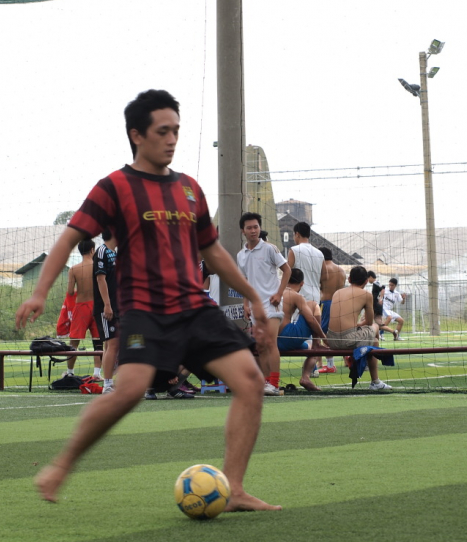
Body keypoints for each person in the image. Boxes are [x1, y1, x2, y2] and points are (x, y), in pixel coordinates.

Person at [15, 89, 282, 509]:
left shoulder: (190, 190)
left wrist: (254, 298)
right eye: (163, 131)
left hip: (195, 308)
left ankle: (235, 489)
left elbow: (211, 251)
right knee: (129, 391)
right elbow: (70, 237)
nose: (172, 139)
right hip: (145, 312)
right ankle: (62, 464)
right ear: (137, 135)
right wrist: (38, 292)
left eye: (176, 130)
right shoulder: (114, 186)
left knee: (250, 382)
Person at [238, 211, 291, 396]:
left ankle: (274, 384)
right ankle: (267, 382)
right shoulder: (241, 255)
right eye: (249, 228)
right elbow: (245, 281)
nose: (253, 231)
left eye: (256, 227)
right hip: (254, 306)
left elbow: (287, 270)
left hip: (272, 304)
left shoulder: (270, 248)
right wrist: (245, 304)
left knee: (270, 342)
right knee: (260, 345)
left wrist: (279, 293)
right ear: (243, 231)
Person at [325, 266, 392, 390]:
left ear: (349, 279)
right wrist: (360, 324)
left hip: (331, 340)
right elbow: (369, 321)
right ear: (366, 281)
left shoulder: (337, 292)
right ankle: (374, 379)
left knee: (374, 340)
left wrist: (357, 325)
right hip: (349, 339)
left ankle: (371, 372)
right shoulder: (366, 294)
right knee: (376, 327)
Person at [277, 268, 327, 391]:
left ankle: (314, 347)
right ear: (302, 283)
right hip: (287, 337)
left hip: (272, 340)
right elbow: (310, 320)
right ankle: (305, 376)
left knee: (309, 348)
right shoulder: (295, 295)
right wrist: (323, 337)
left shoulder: (274, 291)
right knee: (313, 304)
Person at [66, 239, 103, 378]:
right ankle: (97, 374)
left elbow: (70, 292)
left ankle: (70, 373)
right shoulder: (99, 266)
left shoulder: (73, 269)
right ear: (93, 250)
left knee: (74, 342)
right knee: (98, 342)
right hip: (97, 307)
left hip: (81, 307)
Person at [93, 230, 119, 393]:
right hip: (107, 307)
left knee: (117, 344)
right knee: (112, 343)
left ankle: (113, 381)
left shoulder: (115, 253)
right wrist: (107, 305)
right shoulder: (102, 251)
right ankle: (108, 385)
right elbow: (100, 279)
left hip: (118, 306)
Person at [316, 246, 345, 374]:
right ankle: (348, 357)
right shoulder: (341, 270)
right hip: (341, 303)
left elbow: (319, 286)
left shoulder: (323, 269)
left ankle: (330, 365)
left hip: (326, 303)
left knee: (322, 333)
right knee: (340, 333)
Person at [287, 221, 326, 304]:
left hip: (299, 297)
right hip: (316, 297)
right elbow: (325, 277)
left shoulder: (294, 250)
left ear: (297, 234)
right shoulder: (319, 253)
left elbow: (286, 272)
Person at [367, 271, 397, 340]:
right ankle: (393, 332)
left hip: (375, 306)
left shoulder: (376, 283)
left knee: (365, 320)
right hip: (378, 307)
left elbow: (383, 289)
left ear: (371, 277)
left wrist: (380, 299)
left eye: (368, 278)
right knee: (380, 325)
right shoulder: (376, 283)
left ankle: (365, 336)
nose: (368, 280)